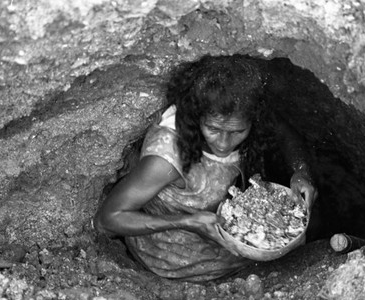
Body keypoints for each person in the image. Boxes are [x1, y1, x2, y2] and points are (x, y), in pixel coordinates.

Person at [93, 54, 317, 282]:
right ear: (196, 116)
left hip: (232, 238)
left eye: (237, 132)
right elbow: (106, 220)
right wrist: (185, 222)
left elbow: (283, 132)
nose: (223, 143)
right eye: (213, 129)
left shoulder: (247, 118)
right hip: (174, 261)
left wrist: (301, 172)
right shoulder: (167, 158)